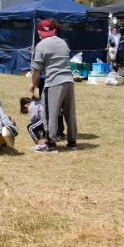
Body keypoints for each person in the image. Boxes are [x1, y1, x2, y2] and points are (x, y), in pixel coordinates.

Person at [30, 19, 77, 152]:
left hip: (54, 82)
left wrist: (33, 84)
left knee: (50, 113)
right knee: (70, 113)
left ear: (40, 32)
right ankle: (72, 143)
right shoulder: (62, 42)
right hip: (69, 81)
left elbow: (36, 68)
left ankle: (50, 144)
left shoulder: (41, 45)